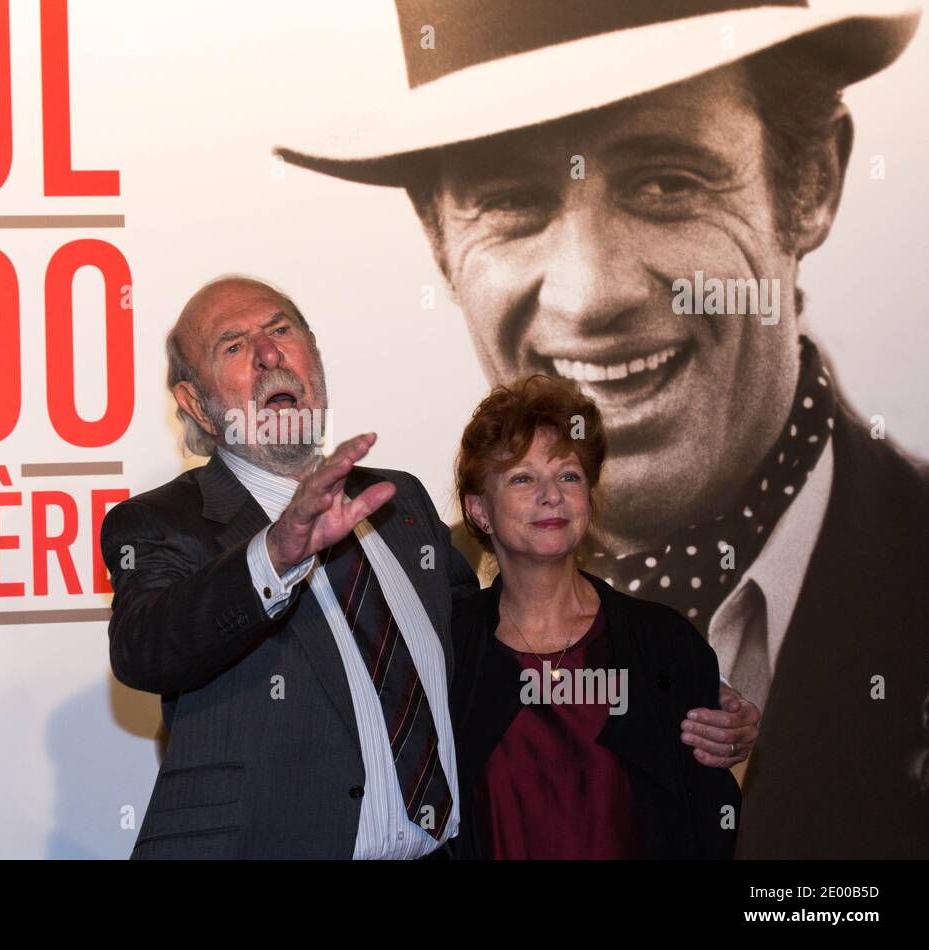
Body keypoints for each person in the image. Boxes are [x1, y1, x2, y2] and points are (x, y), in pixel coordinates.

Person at [275, 0, 928, 857]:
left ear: (811, 184)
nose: (591, 294)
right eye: (509, 199)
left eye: (667, 182)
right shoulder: (409, 631)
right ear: (438, 236)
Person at [101, 274, 757, 858]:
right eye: (234, 345)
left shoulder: (399, 502)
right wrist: (277, 551)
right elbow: (146, 649)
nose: (270, 353)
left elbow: (485, 644)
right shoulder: (161, 524)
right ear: (193, 404)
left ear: (315, 359)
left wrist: (682, 689)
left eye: (282, 329)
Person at [450, 375, 739, 859]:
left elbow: (708, 821)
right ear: (479, 510)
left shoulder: (662, 642)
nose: (551, 496)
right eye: (523, 478)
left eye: (568, 476)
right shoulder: (448, 648)